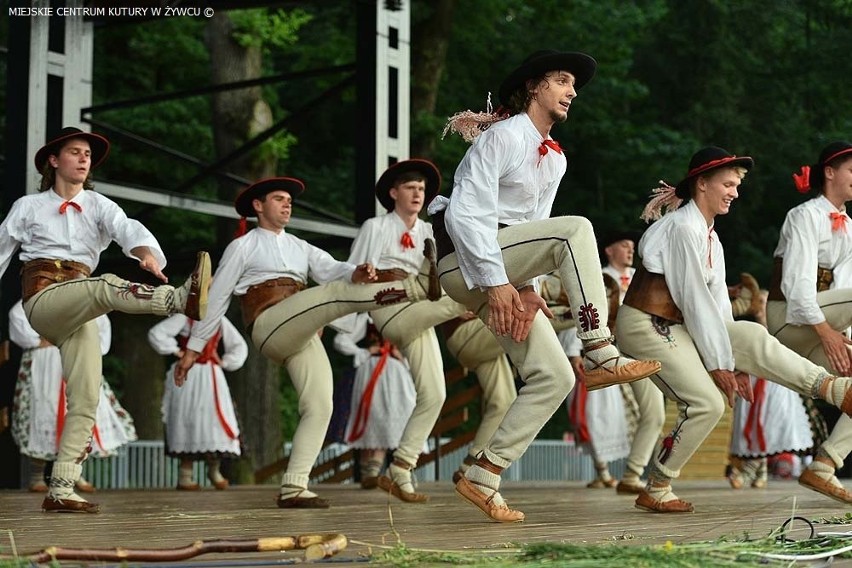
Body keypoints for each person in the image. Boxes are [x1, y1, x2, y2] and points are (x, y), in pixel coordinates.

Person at [429, 49, 661, 522]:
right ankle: (599, 348)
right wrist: (496, 285)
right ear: (534, 87)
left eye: (573, 84)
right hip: (464, 262)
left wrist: (528, 288)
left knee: (552, 377)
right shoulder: (504, 137)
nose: (572, 91)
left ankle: (484, 474)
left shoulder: (553, 158)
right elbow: (464, 214)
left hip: (504, 263)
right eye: (562, 80)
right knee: (576, 229)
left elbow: (534, 226)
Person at [173, 176, 438, 509]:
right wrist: (193, 349)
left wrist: (356, 272)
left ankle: (294, 486)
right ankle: (414, 289)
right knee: (331, 294)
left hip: (300, 329)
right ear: (258, 205)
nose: (288, 204)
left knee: (320, 404)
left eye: (289, 200)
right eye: (279, 198)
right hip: (269, 324)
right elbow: (219, 297)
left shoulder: (300, 246)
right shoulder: (243, 245)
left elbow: (331, 267)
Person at [616, 146, 852, 513]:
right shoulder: (682, 227)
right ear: (702, 184)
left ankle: (833, 388)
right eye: (728, 184)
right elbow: (694, 300)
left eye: (736, 186)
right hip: (646, 323)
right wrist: (720, 363)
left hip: (678, 324)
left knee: (752, 335)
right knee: (707, 403)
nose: (734, 193)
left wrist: (736, 361)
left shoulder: (710, 236)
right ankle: (658, 485)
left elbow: (718, 309)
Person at [0, 126, 212, 513]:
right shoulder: (28, 206)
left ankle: (61, 487)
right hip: (44, 299)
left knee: (87, 394)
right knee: (105, 287)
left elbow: (127, 228)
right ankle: (179, 299)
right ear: (53, 160)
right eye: (75, 152)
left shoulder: (99, 205)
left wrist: (146, 253)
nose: (84, 159)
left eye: (88, 155)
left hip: (80, 308)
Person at [345, 158, 473, 503]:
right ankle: (494, 297)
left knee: (435, 394)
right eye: (410, 188)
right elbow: (352, 274)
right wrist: (338, 321)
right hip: (386, 307)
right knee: (469, 294)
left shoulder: (429, 232)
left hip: (421, 311)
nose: (418, 194)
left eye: (422, 189)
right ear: (393, 192)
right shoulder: (375, 227)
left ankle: (400, 467)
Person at [766, 141, 852, 503]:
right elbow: (796, 287)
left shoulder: (848, 226)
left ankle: (824, 465)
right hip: (787, 319)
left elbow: (844, 289)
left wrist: (843, 337)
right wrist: (827, 332)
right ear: (829, 172)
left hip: (822, 325)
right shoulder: (803, 215)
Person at [10, 300, 137, 493]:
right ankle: (37, 476)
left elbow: (102, 324)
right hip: (46, 362)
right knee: (45, 410)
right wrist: (36, 340)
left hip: (77, 357)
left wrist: (92, 348)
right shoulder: (41, 290)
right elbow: (17, 314)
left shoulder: (83, 292)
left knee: (81, 411)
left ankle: (73, 474)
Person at [727, 275, 816, 489]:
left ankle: (749, 471)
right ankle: (762, 472)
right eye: (759, 301)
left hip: (775, 384)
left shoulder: (781, 330)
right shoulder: (748, 328)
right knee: (752, 424)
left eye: (765, 302)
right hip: (754, 379)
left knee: (769, 424)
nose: (760, 305)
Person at [148, 313, 248, 490]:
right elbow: (157, 333)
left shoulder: (219, 319)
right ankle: (185, 475)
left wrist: (225, 362)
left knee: (214, 421)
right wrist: (176, 351)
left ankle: (214, 470)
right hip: (189, 375)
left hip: (212, 376)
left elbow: (239, 345)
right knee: (189, 420)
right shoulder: (185, 318)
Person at [332, 313, 416, 489]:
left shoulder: (401, 316)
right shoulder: (367, 317)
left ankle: (373, 472)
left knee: (389, 420)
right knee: (370, 417)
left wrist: (401, 357)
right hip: (371, 371)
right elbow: (341, 340)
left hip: (395, 374)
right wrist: (363, 352)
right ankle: (368, 473)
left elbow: (415, 348)